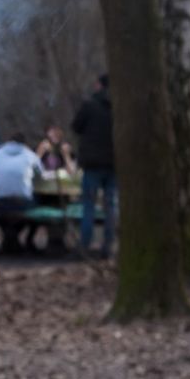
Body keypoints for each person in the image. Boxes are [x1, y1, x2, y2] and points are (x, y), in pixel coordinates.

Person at [71, 74, 116, 256]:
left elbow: (76, 126)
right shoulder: (118, 106)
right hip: (113, 163)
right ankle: (108, 246)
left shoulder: (89, 105)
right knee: (111, 206)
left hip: (92, 164)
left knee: (88, 205)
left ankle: (85, 245)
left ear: (98, 85)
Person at [0, 132, 44, 251]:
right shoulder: (29, 155)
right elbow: (41, 174)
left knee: (6, 214)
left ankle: (10, 238)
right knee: (40, 205)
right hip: (22, 203)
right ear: (24, 144)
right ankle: (23, 239)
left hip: (0, 202)